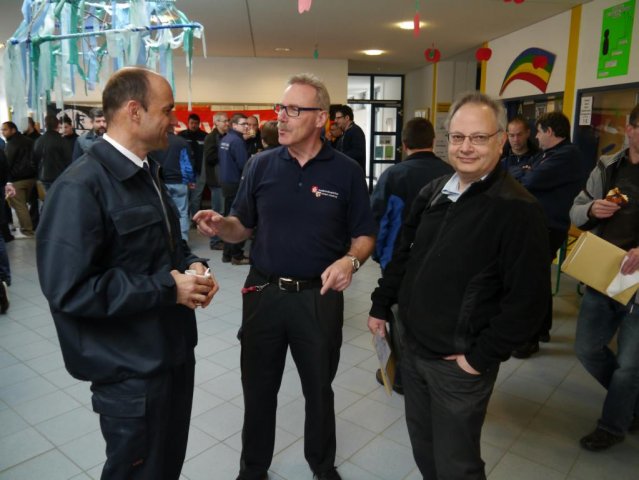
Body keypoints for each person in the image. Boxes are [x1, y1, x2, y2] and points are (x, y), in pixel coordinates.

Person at [36, 67, 219, 480]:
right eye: (167, 110)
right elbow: (69, 289)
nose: (174, 120)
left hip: (171, 353)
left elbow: (167, 246)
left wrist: (192, 264)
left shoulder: (147, 172)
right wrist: (167, 288)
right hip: (130, 371)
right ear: (134, 111)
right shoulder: (81, 186)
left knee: (166, 466)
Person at [194, 73, 377, 480]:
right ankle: (253, 468)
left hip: (318, 297)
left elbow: (365, 235)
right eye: (281, 108)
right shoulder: (260, 165)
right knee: (258, 389)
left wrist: (350, 262)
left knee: (319, 389)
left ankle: (322, 466)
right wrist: (222, 225)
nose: (281, 117)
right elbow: (241, 226)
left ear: (320, 118)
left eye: (293, 110)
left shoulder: (346, 171)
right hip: (264, 293)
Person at [367, 92, 549, 480]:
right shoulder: (434, 192)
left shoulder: (517, 209)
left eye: (479, 137)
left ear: (501, 141)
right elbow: (403, 258)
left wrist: (479, 358)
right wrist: (381, 305)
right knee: (424, 450)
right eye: (457, 137)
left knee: (457, 466)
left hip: (458, 366)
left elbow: (528, 304)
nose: (466, 147)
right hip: (412, 349)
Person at [570, 103, 639, 451]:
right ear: (630, 129)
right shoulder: (608, 166)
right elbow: (576, 210)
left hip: (638, 283)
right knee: (587, 349)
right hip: (603, 272)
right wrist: (592, 209)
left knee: (629, 365)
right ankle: (630, 403)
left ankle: (612, 425)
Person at [369, 117, 453, 394]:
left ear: (404, 144)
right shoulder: (451, 174)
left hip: (399, 259)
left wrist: (379, 256)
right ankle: (433, 372)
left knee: (398, 317)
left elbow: (379, 219)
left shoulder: (393, 176)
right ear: (433, 142)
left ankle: (402, 377)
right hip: (441, 259)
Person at [512, 111, 584, 358]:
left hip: (549, 225)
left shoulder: (567, 155)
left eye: (540, 132)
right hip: (541, 224)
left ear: (550, 132)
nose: (537, 137)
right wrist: (527, 170)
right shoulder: (548, 154)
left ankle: (529, 340)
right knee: (539, 278)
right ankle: (542, 328)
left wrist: (528, 171)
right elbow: (520, 171)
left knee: (531, 281)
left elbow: (530, 180)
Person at [152, 127, 196, 241]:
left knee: (164, 212)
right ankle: (182, 240)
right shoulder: (181, 142)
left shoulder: (155, 142)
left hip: (161, 182)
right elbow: (187, 163)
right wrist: (191, 180)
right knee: (182, 212)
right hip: (179, 182)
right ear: (173, 130)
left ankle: (168, 240)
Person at [218, 113, 250, 265]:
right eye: (243, 124)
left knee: (228, 219)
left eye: (247, 124)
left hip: (226, 182)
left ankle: (227, 254)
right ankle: (236, 255)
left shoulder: (225, 139)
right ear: (234, 125)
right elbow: (244, 165)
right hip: (236, 183)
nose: (247, 126)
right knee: (237, 220)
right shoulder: (237, 141)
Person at [1, 121, 36, 238]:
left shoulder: (11, 144)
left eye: (5, 129)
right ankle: (32, 226)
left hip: (17, 179)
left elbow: (7, 163)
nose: (3, 132)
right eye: (2, 130)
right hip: (32, 178)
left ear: (13, 130)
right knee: (30, 205)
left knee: (20, 206)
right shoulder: (29, 141)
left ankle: (27, 230)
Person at [202, 112, 229, 250]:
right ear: (216, 122)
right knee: (217, 212)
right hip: (216, 179)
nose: (227, 123)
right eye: (224, 121)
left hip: (224, 179)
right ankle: (215, 241)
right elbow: (210, 158)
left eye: (227, 121)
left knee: (223, 212)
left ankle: (221, 239)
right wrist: (224, 151)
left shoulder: (225, 136)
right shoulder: (211, 138)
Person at [33, 115, 72, 194]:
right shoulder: (63, 141)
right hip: (60, 177)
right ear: (58, 125)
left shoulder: (38, 141)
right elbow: (69, 160)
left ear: (45, 125)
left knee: (47, 199)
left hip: (43, 177)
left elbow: (34, 160)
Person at [180, 113, 208, 217]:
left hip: (199, 172)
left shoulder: (205, 136)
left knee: (196, 197)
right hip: (185, 173)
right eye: (192, 123)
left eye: (196, 123)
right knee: (185, 196)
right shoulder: (181, 136)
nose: (194, 125)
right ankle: (185, 218)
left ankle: (195, 218)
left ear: (199, 124)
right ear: (188, 123)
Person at [500, 115, 539, 181]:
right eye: (512, 135)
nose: (516, 139)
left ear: (528, 133)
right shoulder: (499, 159)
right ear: (507, 136)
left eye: (519, 135)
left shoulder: (538, 158)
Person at [334, 105, 366, 171]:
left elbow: (358, 152)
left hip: (353, 174)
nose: (335, 121)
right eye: (335, 118)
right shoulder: (345, 133)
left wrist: (339, 156)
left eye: (338, 118)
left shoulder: (356, 131)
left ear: (347, 118)